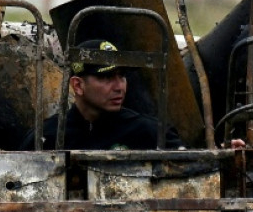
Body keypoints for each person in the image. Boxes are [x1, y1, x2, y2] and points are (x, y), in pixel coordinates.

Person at [20, 39, 185, 150]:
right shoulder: (47, 137)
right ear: (78, 85)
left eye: (122, 75)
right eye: (107, 77)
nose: (119, 87)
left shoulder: (151, 133)